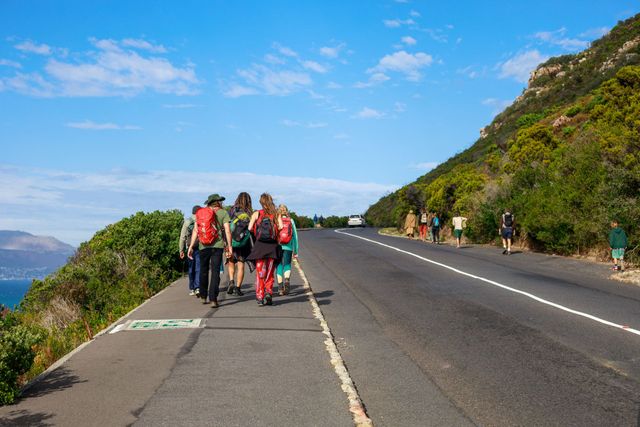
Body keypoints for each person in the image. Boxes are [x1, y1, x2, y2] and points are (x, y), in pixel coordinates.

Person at [188, 194, 232, 308]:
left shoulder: (201, 213)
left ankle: (203, 295)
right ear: (218, 202)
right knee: (215, 272)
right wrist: (230, 246)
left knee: (203, 271)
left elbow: (196, 231)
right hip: (217, 246)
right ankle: (213, 299)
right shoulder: (223, 213)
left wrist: (191, 246)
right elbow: (227, 230)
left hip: (203, 246)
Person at [247, 193, 283, 306]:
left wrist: (257, 232)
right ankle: (269, 292)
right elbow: (281, 227)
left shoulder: (257, 213)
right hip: (272, 247)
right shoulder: (276, 214)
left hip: (259, 247)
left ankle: (260, 295)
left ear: (261, 202)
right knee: (270, 272)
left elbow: (249, 228)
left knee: (260, 272)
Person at [226, 192, 253, 296]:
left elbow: (227, 225)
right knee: (241, 264)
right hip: (243, 242)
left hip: (231, 241)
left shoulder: (232, 210)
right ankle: (238, 288)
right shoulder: (249, 212)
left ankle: (231, 281)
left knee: (231, 262)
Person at [276, 204, 299, 296]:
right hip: (288, 247)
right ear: (287, 211)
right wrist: (296, 251)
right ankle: (287, 281)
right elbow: (295, 237)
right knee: (287, 264)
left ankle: (280, 288)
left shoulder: (276, 220)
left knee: (279, 265)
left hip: (278, 246)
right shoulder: (291, 221)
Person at [179, 205, 200, 295]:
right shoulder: (201, 220)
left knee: (191, 268)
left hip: (189, 248)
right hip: (200, 246)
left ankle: (192, 288)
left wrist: (181, 250)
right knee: (198, 267)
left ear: (192, 212)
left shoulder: (187, 222)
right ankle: (198, 287)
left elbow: (182, 237)